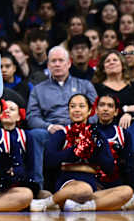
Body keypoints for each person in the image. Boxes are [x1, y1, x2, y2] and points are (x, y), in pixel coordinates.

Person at [31, 94, 132, 211]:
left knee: (126, 191)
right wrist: (75, 151)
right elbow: (48, 161)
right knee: (84, 189)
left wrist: (96, 151)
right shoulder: (62, 133)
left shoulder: (97, 135)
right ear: (68, 111)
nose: (77, 110)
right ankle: (47, 202)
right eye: (73, 106)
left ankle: (82, 207)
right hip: (68, 181)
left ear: (89, 111)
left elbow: (109, 167)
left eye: (81, 106)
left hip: (91, 184)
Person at [26, 46, 97, 191]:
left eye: (61, 60)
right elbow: (32, 117)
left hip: (81, 129)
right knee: (35, 134)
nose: (57, 64)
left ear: (69, 63)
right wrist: (48, 127)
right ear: (48, 65)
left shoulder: (85, 85)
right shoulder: (38, 89)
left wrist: (79, 126)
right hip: (52, 131)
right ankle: (38, 188)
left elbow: (96, 113)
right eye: (53, 61)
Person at [92, 50, 134, 192]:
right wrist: (127, 109)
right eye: (107, 61)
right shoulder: (98, 88)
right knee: (133, 146)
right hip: (109, 127)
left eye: (115, 60)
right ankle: (132, 187)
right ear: (103, 67)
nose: (111, 62)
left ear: (122, 65)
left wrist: (129, 114)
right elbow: (99, 111)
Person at [93, 94, 134, 208]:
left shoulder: (123, 134)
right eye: (102, 105)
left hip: (116, 184)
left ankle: (96, 203)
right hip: (94, 183)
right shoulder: (89, 131)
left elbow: (129, 165)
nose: (105, 108)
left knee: (127, 191)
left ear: (115, 112)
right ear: (96, 110)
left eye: (110, 106)